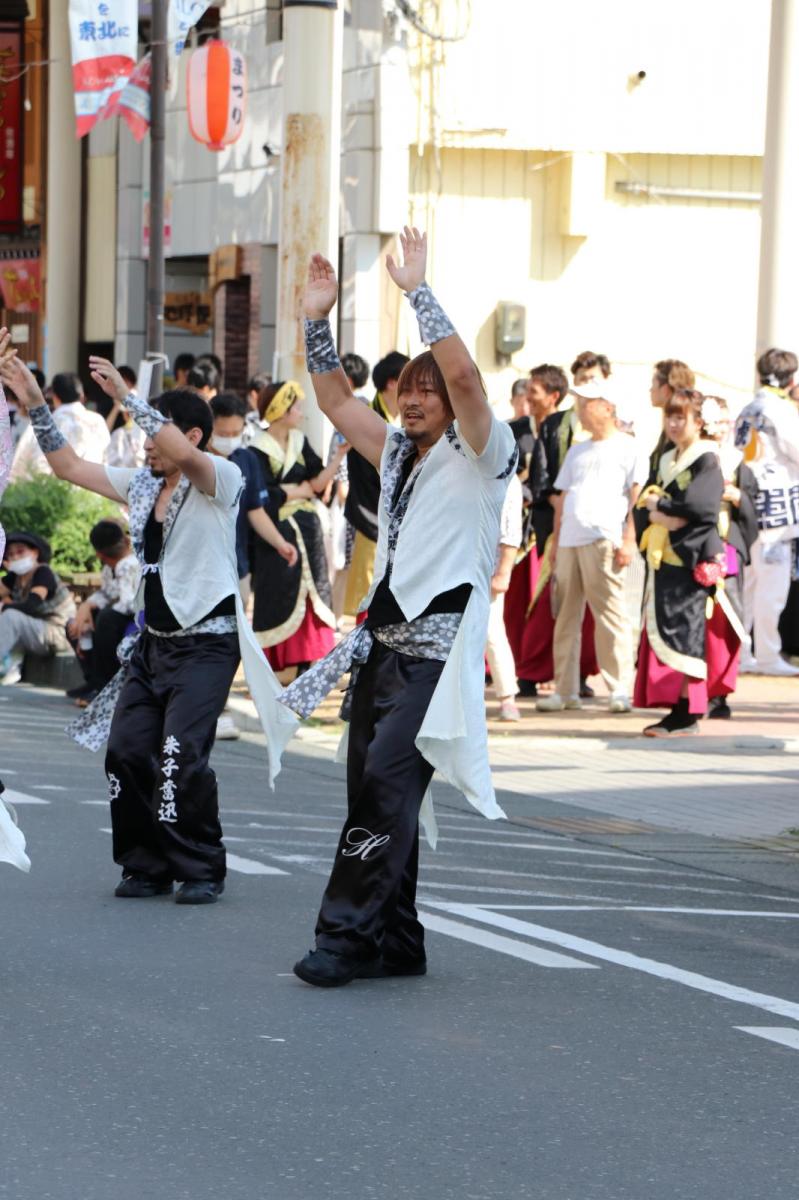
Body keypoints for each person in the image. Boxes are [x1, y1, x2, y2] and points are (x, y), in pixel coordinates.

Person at [279, 226, 516, 987]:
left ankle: (344, 939)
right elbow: (333, 399)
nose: (411, 399)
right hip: (383, 645)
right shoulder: (400, 453)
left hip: (437, 654)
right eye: (404, 389)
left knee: (385, 784)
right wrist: (316, 320)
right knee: (373, 793)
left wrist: (417, 293)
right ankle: (397, 941)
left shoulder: (485, 450)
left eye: (426, 390)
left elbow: (470, 384)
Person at [0, 340, 290, 904]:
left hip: (208, 646)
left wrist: (129, 397)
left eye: (159, 434)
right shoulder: (141, 485)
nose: (147, 444)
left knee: (181, 753)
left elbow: (183, 453)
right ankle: (147, 863)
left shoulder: (219, 481)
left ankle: (202, 865)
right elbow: (68, 466)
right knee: (128, 750)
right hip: (153, 647)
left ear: (192, 438)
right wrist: (35, 401)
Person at [536, 380, 646, 713]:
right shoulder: (577, 450)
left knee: (610, 615)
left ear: (608, 407)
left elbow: (636, 498)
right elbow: (563, 498)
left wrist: (628, 539)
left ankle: (618, 689)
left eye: (587, 403)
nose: (581, 410)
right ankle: (565, 689)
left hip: (604, 539)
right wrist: (555, 542)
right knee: (566, 617)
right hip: (569, 539)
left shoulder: (628, 447)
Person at [634, 389, 724, 736]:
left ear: (699, 422)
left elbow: (703, 507)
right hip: (665, 556)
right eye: (669, 417)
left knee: (687, 631)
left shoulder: (706, 458)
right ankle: (677, 706)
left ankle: (688, 711)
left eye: (680, 417)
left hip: (690, 555)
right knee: (668, 625)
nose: (672, 424)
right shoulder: (668, 456)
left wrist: (665, 510)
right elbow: (647, 498)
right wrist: (657, 512)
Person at [249, 381, 345, 671]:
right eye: (296, 407)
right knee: (278, 591)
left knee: (312, 587)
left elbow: (316, 484)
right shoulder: (256, 449)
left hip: (307, 528)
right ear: (281, 410)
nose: (301, 413)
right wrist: (297, 491)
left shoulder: (300, 441)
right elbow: (262, 496)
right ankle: (278, 662)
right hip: (275, 531)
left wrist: (339, 456)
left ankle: (307, 659)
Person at [516, 384, 600, 697]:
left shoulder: (616, 434)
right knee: (550, 605)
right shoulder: (555, 425)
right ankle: (530, 672)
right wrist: (558, 506)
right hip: (557, 530)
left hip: (595, 532)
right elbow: (543, 476)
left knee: (587, 612)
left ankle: (577, 675)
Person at [734, 347, 799, 675]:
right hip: (776, 504)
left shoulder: (747, 408)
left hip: (747, 502)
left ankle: (742, 653)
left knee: (748, 581)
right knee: (771, 583)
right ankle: (769, 654)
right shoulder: (783, 411)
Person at [209, 391, 297, 604]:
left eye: (235, 433)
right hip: (202, 566)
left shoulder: (246, 459)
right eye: (223, 433)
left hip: (237, 564)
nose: (230, 440)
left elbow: (255, 511)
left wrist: (279, 543)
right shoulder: (196, 462)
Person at [701, 396, 759, 719]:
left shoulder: (738, 462)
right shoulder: (691, 456)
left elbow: (754, 513)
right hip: (693, 545)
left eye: (725, 422)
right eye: (715, 422)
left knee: (726, 620)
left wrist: (739, 498)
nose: (720, 429)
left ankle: (719, 691)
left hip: (727, 548)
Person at [343, 351, 409, 618]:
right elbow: (365, 483)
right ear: (393, 383)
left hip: (403, 531)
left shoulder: (405, 420)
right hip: (374, 525)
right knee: (368, 605)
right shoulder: (368, 420)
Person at [66, 520, 141, 704]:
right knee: (76, 624)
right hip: (120, 613)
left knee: (105, 618)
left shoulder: (130, 564)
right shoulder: (110, 568)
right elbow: (107, 593)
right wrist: (86, 609)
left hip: (137, 617)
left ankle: (104, 686)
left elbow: (129, 603)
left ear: (99, 554)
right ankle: (94, 681)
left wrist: (92, 612)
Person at [0, 531, 75, 684]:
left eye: (20, 551)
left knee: (10, 616)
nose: (15, 557)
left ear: (35, 552)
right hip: (35, 631)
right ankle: (11, 668)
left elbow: (31, 606)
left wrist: (5, 604)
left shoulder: (43, 572)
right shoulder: (15, 576)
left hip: (56, 633)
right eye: (10, 554)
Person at [10, 370, 110, 481]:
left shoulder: (41, 424)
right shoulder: (98, 421)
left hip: (45, 493)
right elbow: (108, 460)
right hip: (93, 493)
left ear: (54, 396)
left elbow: (19, 468)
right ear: (81, 395)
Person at [486, 471, 523, 720]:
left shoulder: (506, 476)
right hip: (454, 562)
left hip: (488, 567)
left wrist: (503, 572)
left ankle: (507, 697)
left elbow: (510, 529)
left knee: (491, 631)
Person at [649, 359, 695, 473]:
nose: (650, 389)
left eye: (653, 384)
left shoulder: (680, 435)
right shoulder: (671, 431)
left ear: (664, 390)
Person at [106, 366, 147, 468]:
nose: (123, 387)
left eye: (127, 384)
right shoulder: (106, 404)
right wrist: (117, 405)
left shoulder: (138, 402)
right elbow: (105, 430)